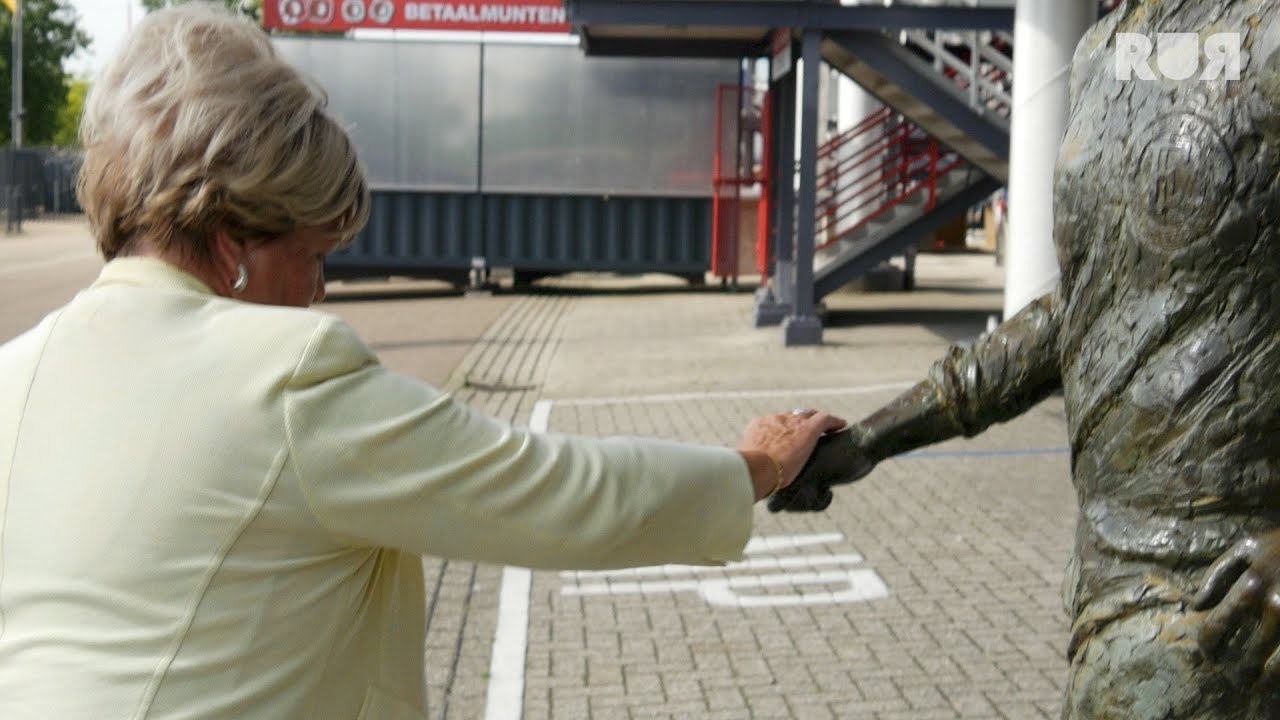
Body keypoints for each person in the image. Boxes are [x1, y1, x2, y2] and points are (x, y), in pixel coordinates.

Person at [0, 6, 843, 719]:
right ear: (233, 246)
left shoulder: (17, 373)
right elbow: (553, 492)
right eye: (314, 255)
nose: (320, 292)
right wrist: (754, 467)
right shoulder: (284, 380)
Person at [779, 1, 1280, 717]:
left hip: (1233, 580)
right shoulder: (1107, 46)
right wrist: (872, 439)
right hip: (1108, 570)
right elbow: (1079, 310)